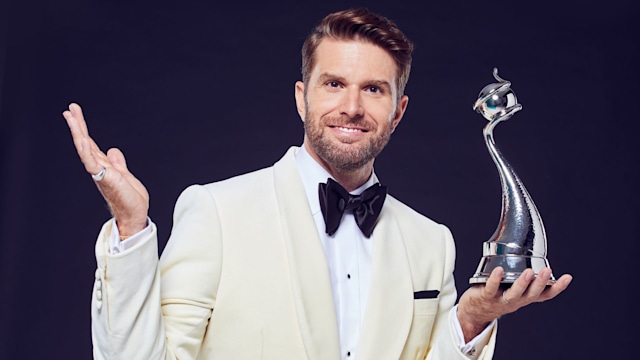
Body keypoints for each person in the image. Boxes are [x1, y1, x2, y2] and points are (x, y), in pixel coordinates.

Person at [63, 8, 572, 360]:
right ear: (303, 98)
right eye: (334, 85)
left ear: (398, 112)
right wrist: (131, 228)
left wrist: (471, 318)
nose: (351, 107)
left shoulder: (430, 242)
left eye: (373, 89)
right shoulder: (217, 212)